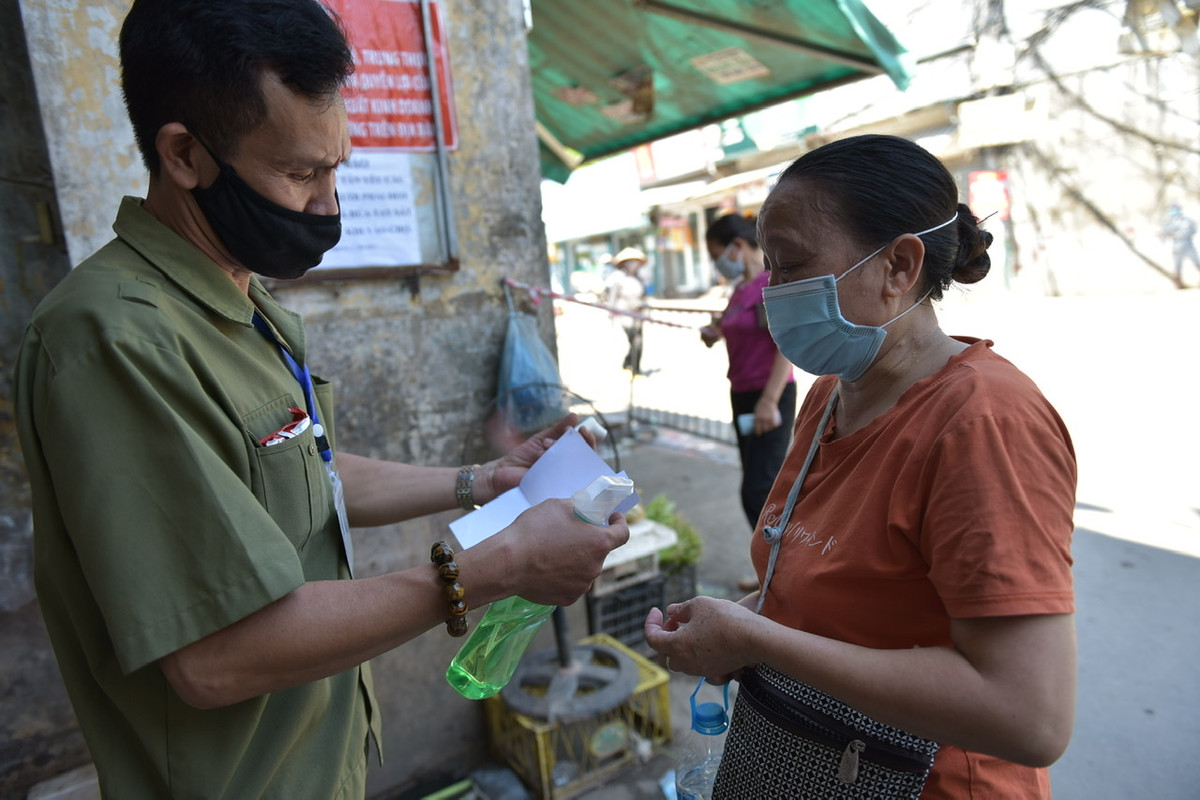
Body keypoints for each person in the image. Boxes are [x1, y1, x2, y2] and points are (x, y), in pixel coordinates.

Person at [12, 1, 628, 797]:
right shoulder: (112, 341)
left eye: (336, 167)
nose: (328, 205)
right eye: (301, 173)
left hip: (320, 761)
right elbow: (216, 656)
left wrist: (482, 479)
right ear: (184, 154)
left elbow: (314, 474)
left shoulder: (240, 301)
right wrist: (498, 567)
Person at [645, 135, 1076, 798]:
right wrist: (731, 627)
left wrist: (759, 642)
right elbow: (827, 595)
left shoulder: (984, 421)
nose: (768, 292)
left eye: (789, 265)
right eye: (768, 264)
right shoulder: (832, 394)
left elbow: (1029, 716)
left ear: (900, 266)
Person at [699, 213, 797, 536]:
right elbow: (742, 328)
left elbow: (784, 344)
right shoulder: (740, 289)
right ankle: (767, 573)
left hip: (768, 395)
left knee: (758, 491)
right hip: (741, 394)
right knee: (760, 489)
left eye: (717, 256)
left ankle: (780, 571)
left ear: (738, 246)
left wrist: (769, 401)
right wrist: (716, 332)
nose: (718, 265)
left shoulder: (769, 285)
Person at [605, 246, 648, 374]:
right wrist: (611, 314)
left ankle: (630, 363)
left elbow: (644, 297)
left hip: (639, 316)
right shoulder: (618, 278)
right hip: (625, 316)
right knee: (635, 341)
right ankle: (634, 369)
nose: (633, 265)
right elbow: (612, 298)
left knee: (639, 342)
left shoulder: (639, 278)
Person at [1160, 202, 1200, 288]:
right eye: (1171, 209)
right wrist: (1162, 235)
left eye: (1174, 208)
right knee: (1177, 267)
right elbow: (1164, 233)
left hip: (1188, 245)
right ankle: (1179, 285)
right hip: (1176, 247)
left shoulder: (1186, 220)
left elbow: (1189, 231)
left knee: (1197, 263)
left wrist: (1174, 234)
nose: (1172, 211)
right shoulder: (1169, 222)